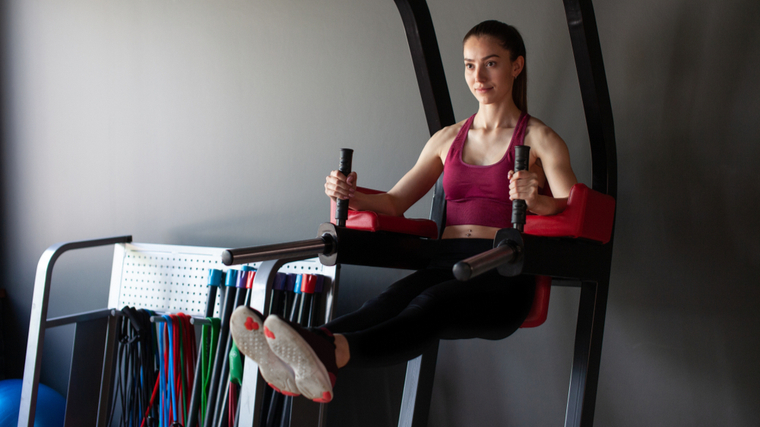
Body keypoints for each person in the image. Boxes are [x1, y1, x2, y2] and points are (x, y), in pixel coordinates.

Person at [230, 20, 577, 404]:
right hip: (445, 262)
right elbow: (395, 202)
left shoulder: (540, 139)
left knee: (432, 305)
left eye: (491, 63)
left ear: (516, 66)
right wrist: (352, 193)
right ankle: (310, 348)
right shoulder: (447, 138)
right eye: (468, 65)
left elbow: (573, 211)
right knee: (388, 301)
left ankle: (330, 354)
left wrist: (537, 200)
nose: (478, 76)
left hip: (502, 273)